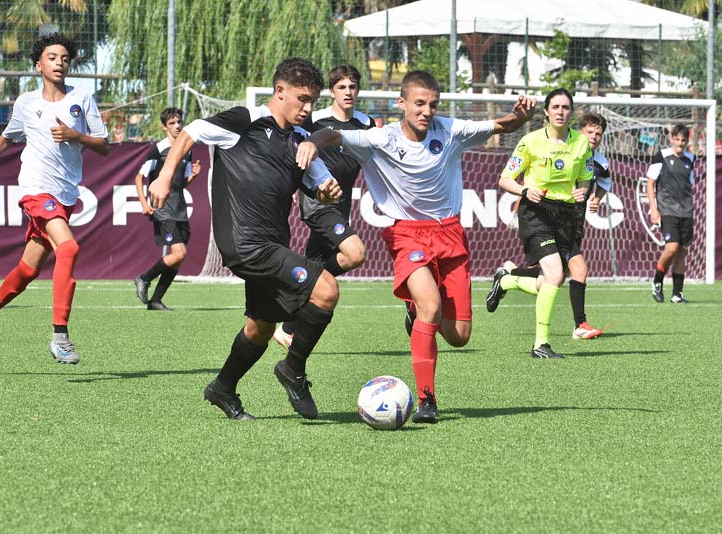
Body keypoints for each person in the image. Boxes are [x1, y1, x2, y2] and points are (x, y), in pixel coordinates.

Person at [298, 70, 536, 424]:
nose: (426, 111)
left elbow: (502, 125)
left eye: (433, 105)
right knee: (431, 305)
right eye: (420, 104)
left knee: (459, 336)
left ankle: (415, 312)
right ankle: (427, 400)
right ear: (402, 103)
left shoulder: (451, 130)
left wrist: (521, 116)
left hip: (450, 234)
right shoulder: (381, 138)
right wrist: (312, 143)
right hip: (408, 234)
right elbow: (334, 134)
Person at [149, 57, 341, 421]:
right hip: (245, 244)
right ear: (280, 91)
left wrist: (327, 191)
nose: (307, 108)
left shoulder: (300, 140)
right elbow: (190, 133)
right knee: (327, 289)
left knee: (261, 327)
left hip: (274, 245)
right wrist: (164, 176)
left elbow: (323, 183)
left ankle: (222, 387)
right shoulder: (245, 121)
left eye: (313, 101)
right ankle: (293, 370)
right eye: (302, 98)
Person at [0, 33, 109, 364]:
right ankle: (60, 336)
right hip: (35, 188)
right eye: (52, 57)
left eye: (64, 58)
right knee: (69, 248)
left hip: (65, 194)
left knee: (29, 269)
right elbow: (8, 136)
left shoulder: (82, 98)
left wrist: (76, 135)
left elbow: (104, 145)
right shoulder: (26, 102)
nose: (59, 62)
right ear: (38, 65)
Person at [485, 88, 593, 359]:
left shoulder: (581, 143)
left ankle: (506, 281)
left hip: (567, 214)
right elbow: (505, 179)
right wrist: (524, 191)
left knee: (550, 280)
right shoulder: (530, 141)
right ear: (545, 111)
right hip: (536, 211)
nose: (560, 112)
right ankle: (540, 345)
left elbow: (586, 176)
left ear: (571, 112)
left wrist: (582, 191)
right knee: (555, 274)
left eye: (565, 107)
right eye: (555, 107)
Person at [272, 64, 372, 350]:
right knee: (354, 254)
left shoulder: (366, 123)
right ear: (331, 91)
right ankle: (301, 288)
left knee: (317, 266)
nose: (348, 92)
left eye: (352, 86)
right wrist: (295, 185)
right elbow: (296, 149)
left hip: (342, 203)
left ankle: (288, 327)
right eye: (342, 87)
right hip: (318, 203)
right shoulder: (315, 121)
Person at [498, 112, 610, 340]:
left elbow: (604, 183)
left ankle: (508, 277)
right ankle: (579, 325)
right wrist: (522, 201)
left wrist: (596, 198)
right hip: (551, 219)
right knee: (577, 270)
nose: (594, 137)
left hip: (573, 222)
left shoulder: (600, 162)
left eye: (598, 134)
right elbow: (536, 181)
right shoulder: (563, 151)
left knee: (551, 279)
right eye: (590, 132)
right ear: (580, 131)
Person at [134, 107, 201, 311]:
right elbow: (139, 177)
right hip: (162, 208)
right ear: (164, 127)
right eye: (172, 123)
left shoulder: (187, 149)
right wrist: (144, 203)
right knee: (179, 253)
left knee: (178, 259)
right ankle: (144, 278)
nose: (177, 126)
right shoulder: (158, 149)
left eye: (179, 122)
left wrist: (193, 176)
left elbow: (181, 184)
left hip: (180, 209)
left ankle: (155, 300)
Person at [646, 124, 694, 303]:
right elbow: (650, 183)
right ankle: (657, 281)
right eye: (677, 139)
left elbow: (689, 183)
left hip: (686, 211)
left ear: (687, 141)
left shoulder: (690, 158)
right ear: (671, 139)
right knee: (671, 248)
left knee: (682, 251)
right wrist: (654, 209)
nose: (680, 143)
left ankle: (677, 294)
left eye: (683, 140)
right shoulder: (662, 156)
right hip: (667, 210)